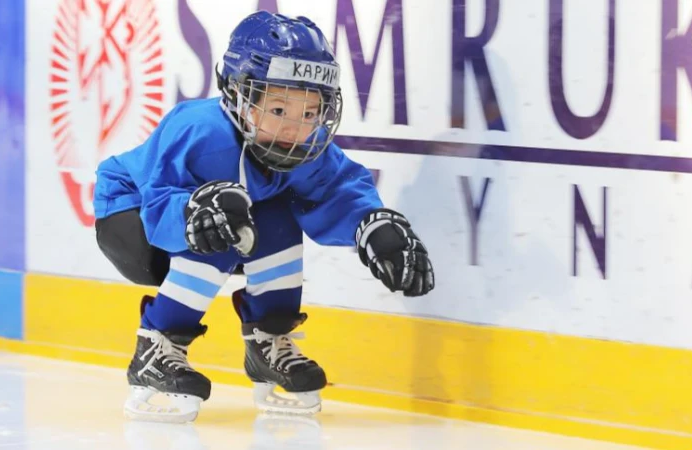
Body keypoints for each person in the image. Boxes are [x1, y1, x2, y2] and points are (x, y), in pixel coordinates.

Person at [93, 10, 435, 423]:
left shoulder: (303, 151)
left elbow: (335, 191)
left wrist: (372, 225)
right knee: (219, 217)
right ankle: (157, 347)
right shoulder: (198, 132)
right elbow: (159, 199)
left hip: (216, 212)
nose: (295, 128)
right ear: (238, 95)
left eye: (309, 114)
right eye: (278, 110)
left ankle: (268, 339)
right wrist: (195, 211)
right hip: (131, 215)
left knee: (273, 215)